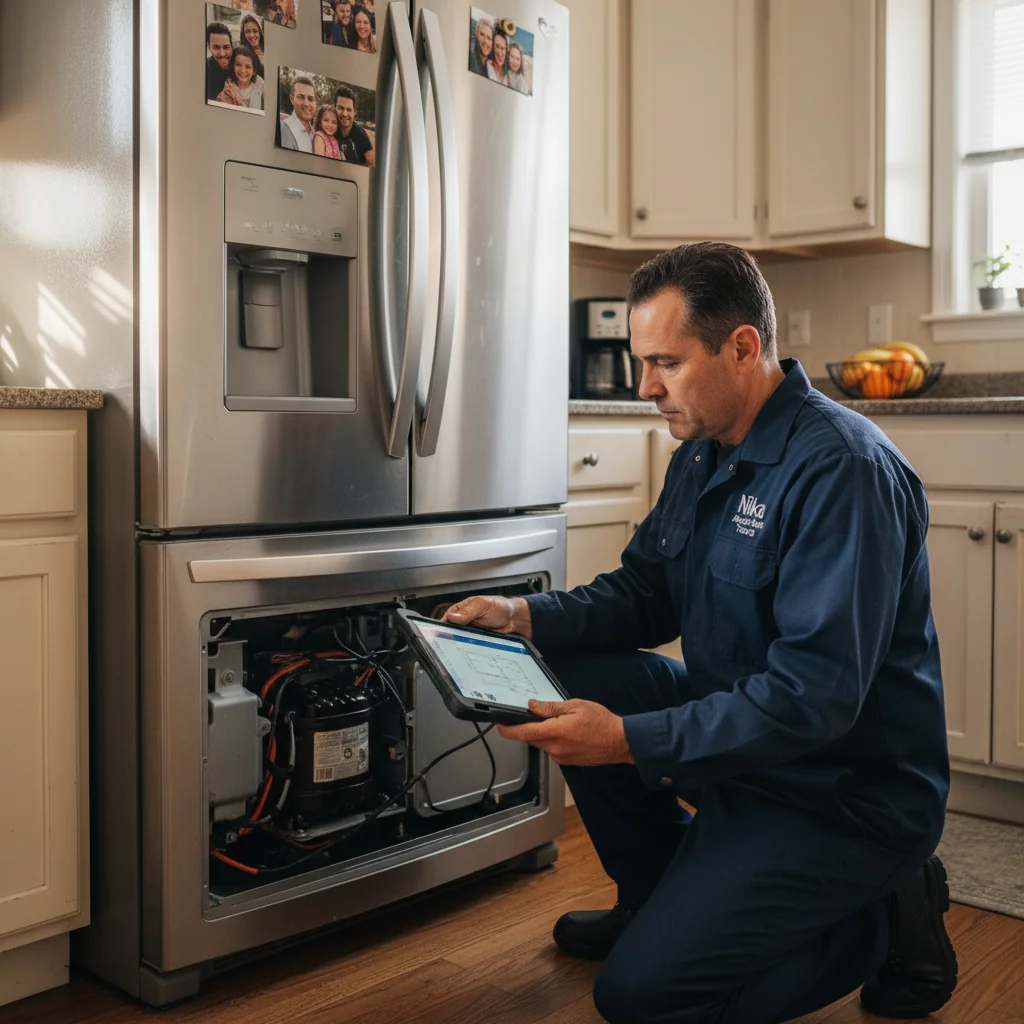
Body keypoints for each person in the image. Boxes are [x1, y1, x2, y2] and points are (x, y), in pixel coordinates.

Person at [443, 241, 958, 1024]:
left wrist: (627, 740)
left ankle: (884, 918)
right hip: (750, 761)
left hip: (843, 791)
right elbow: (648, 590)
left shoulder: (843, 470)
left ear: (742, 347)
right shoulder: (705, 449)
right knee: (574, 662)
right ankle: (653, 900)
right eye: (638, 363)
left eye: (665, 363)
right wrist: (523, 616)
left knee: (640, 998)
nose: (645, 388)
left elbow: (814, 699)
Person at [334, 86, 375, 166]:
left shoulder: (360, 133)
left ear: (354, 113)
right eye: (340, 108)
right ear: (334, 108)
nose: (345, 114)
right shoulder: (329, 129)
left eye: (349, 110)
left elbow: (372, 163)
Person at [217, 44, 264, 109]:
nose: (243, 70)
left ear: (254, 71)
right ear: (233, 66)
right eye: (238, 65)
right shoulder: (228, 90)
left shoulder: (260, 87)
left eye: (248, 67)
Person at [279, 75, 316, 152]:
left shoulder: (316, 133)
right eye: (301, 97)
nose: (306, 104)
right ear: (292, 99)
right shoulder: (282, 129)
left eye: (311, 99)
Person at [206, 22, 234, 102]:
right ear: (209, 47)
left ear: (232, 46)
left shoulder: (240, 64)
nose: (222, 54)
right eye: (216, 47)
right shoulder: (205, 71)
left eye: (226, 47)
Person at [240, 15, 265, 79]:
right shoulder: (243, 54)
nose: (251, 35)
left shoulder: (268, 49)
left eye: (255, 31)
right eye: (247, 31)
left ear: (260, 32)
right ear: (244, 34)